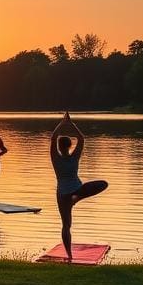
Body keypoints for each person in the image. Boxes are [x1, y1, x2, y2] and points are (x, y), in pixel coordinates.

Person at [50, 112, 109, 263]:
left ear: (58, 147)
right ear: (70, 146)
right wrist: (71, 124)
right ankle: (77, 198)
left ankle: (69, 255)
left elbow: (53, 137)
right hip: (77, 189)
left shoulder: (55, 159)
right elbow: (81, 138)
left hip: (63, 194)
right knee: (103, 184)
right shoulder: (74, 156)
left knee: (66, 225)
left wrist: (62, 123)